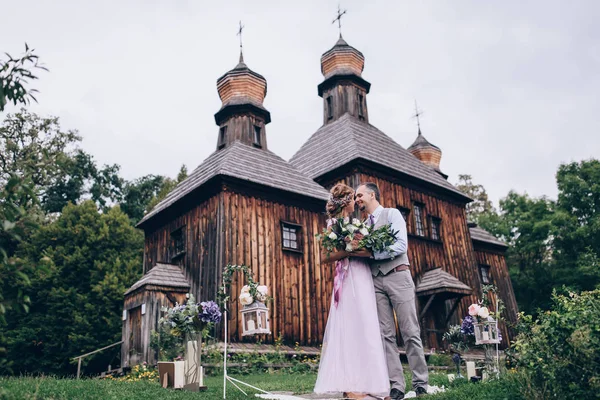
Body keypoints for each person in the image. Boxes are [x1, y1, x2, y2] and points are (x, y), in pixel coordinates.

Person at [314, 183, 389, 399]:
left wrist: (360, 247)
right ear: (346, 202)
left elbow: (365, 249)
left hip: (363, 275)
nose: (356, 201)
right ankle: (350, 384)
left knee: (367, 323)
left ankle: (373, 382)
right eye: (353, 198)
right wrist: (349, 249)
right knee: (351, 325)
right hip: (348, 278)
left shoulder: (356, 223)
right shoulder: (333, 224)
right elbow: (326, 256)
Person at [354, 182, 429, 399]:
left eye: (359, 195)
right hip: (376, 282)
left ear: (372, 194)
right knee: (385, 335)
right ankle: (396, 385)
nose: (357, 199)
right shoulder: (363, 225)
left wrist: (372, 255)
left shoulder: (392, 214)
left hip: (398, 275)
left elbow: (400, 246)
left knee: (410, 331)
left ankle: (420, 382)